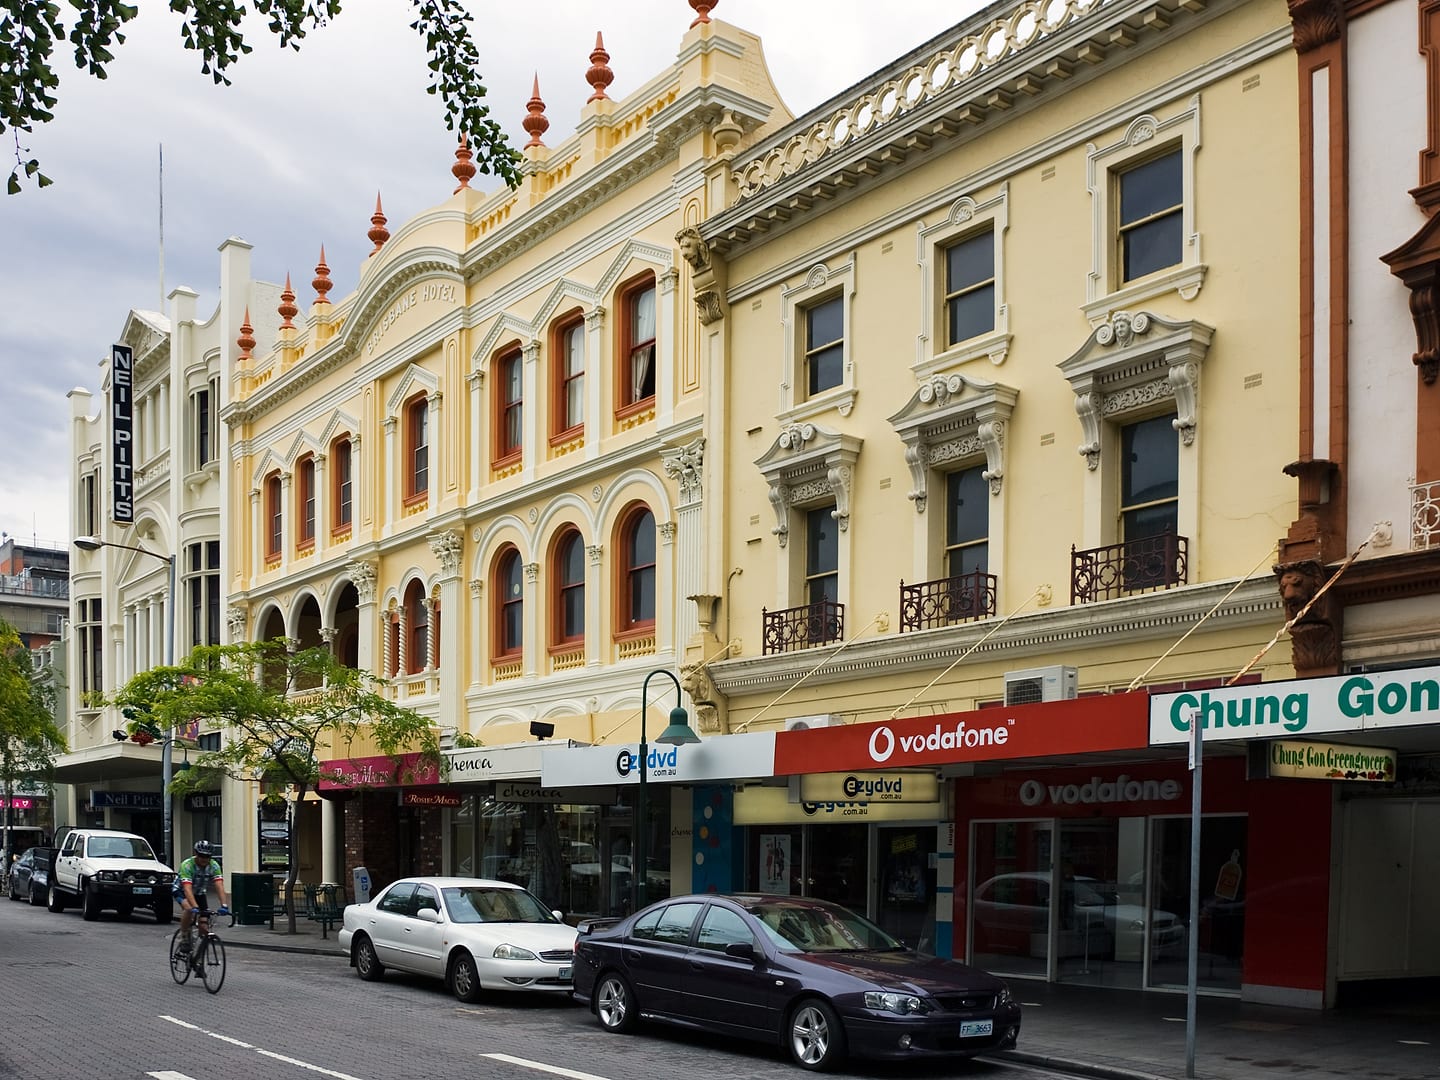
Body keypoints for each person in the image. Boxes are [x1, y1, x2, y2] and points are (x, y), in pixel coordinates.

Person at [175, 840, 229, 955]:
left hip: (199, 893)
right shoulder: (187, 865)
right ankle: (184, 937)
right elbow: (187, 889)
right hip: (182, 891)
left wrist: (224, 905)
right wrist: (195, 907)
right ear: (196, 853)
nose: (204, 859)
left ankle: (198, 962)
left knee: (204, 928)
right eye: (201, 855)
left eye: (207, 856)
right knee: (189, 909)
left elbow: (219, 886)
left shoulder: (214, 866)